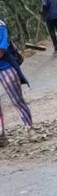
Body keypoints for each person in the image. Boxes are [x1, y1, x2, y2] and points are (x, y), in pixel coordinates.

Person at [0, 18, 33, 147]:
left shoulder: (1, 26)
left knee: (17, 100)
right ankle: (1, 135)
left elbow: (1, 51)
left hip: (5, 67)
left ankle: (29, 128)